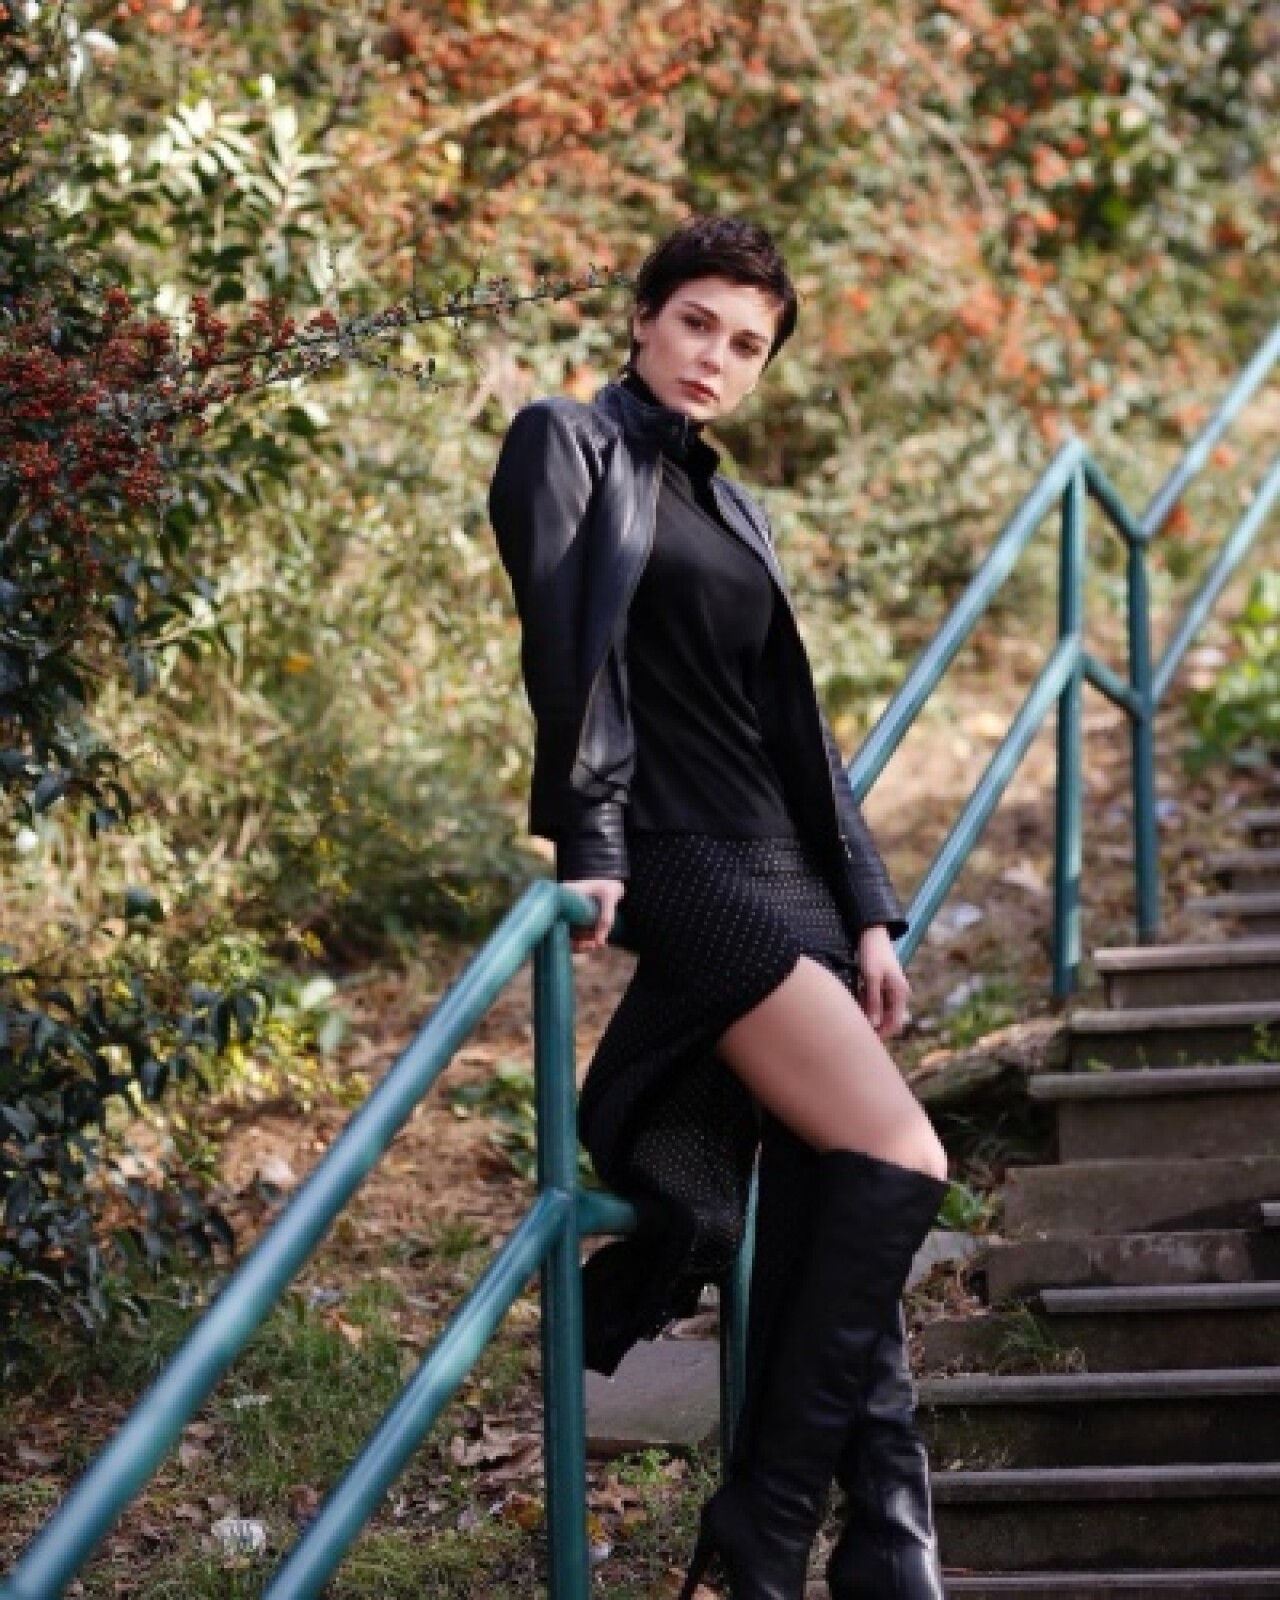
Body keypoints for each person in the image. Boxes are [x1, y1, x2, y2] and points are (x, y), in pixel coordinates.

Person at [488, 215, 949, 1600]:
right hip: (684, 861)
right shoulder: (565, 443)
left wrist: (868, 909)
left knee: (832, 1194)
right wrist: (590, 838)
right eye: (696, 322)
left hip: (787, 869)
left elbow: (796, 731)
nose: (715, 357)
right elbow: (567, 647)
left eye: (747, 344)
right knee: (902, 1153)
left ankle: (885, 1542)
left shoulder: (737, 510)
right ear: (643, 318)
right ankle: (767, 1526)